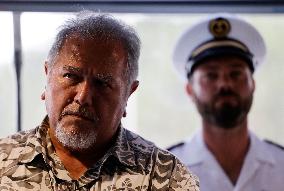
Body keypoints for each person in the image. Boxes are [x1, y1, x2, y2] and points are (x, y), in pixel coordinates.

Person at [0, 12, 199, 191]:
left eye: (102, 83)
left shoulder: (165, 177)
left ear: (129, 93)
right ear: (47, 75)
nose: (83, 96)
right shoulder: (3, 161)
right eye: (71, 76)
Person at [168, 13, 284, 191]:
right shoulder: (164, 172)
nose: (225, 84)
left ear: (252, 84)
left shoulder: (281, 165)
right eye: (211, 75)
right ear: (190, 90)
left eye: (235, 73)